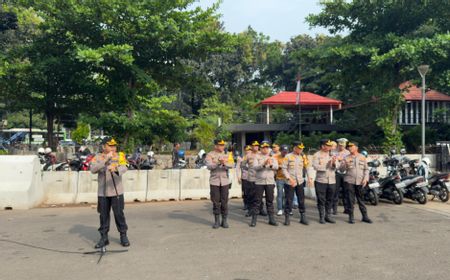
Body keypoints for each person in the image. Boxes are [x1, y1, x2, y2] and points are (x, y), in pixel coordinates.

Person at [90, 137, 130, 248]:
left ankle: (123, 235)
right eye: (110, 145)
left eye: (114, 145)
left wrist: (116, 169)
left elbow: (125, 167)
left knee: (119, 214)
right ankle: (104, 237)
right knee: (103, 215)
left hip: (116, 191)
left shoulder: (120, 156)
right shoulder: (98, 157)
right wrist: (105, 160)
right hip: (102, 193)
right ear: (104, 146)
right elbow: (93, 169)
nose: (113, 148)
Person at [339, 141, 373, 224]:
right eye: (349, 147)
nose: (350, 148)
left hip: (361, 182)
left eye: (352, 146)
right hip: (349, 181)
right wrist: (344, 164)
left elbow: (366, 169)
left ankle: (365, 217)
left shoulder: (362, 157)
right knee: (350, 200)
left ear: (356, 148)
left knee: (361, 199)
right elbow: (341, 170)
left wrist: (366, 179)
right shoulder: (346, 157)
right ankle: (351, 217)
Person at [205, 139, 234, 229]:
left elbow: (232, 164)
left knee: (224, 202)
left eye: (223, 145)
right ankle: (217, 221)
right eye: (220, 145)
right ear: (216, 146)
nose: (222, 147)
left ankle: (224, 221)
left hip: (225, 181)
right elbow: (209, 166)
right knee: (216, 202)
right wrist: (218, 163)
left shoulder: (227, 155)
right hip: (214, 182)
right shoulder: (210, 155)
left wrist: (224, 163)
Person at [281, 141, 311, 226]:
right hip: (290, 182)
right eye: (299, 148)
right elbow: (283, 169)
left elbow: (307, 167)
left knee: (301, 199)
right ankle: (287, 218)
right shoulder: (288, 156)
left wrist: (309, 178)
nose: (301, 150)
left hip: (300, 181)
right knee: (289, 200)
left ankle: (303, 217)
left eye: (302, 148)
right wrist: (289, 179)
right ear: (294, 148)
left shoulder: (303, 157)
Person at [251, 141, 279, 227]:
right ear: (261, 148)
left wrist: (270, 165)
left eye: (267, 147)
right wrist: (263, 164)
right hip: (259, 182)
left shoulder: (273, 157)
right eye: (263, 147)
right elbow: (255, 167)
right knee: (257, 201)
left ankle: (271, 219)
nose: (265, 149)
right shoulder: (257, 157)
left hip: (270, 181)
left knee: (270, 201)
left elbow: (277, 167)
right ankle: (254, 220)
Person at [312, 139, 337, 224]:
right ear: (323, 146)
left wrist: (333, 163)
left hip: (332, 180)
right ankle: (321, 216)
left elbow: (337, 166)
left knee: (330, 199)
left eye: (330, 145)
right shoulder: (316, 155)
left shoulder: (332, 154)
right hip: (321, 181)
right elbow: (316, 166)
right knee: (321, 199)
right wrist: (327, 165)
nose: (330, 147)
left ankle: (328, 216)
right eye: (328, 145)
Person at [244, 141, 267, 216]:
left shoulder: (261, 154)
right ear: (251, 146)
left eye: (257, 146)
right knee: (251, 194)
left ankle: (261, 209)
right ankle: (250, 210)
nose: (256, 147)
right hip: (251, 178)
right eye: (254, 146)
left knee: (259, 195)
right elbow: (243, 164)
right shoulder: (248, 155)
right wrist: (249, 170)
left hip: (260, 178)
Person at [332, 138, 351, 215]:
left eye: (342, 146)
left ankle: (346, 208)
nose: (341, 147)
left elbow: (349, 161)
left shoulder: (348, 152)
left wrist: (341, 159)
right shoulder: (333, 152)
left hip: (346, 173)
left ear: (345, 145)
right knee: (335, 192)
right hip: (336, 173)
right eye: (340, 145)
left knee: (346, 191)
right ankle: (334, 209)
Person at [237, 145, 252, 214]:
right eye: (246, 150)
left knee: (252, 192)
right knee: (245, 192)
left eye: (249, 149)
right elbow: (238, 168)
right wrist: (238, 177)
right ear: (244, 150)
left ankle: (252, 205)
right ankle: (246, 204)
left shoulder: (254, 157)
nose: (248, 151)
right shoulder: (241, 158)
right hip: (245, 177)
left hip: (253, 177)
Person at [274, 144, 289, 216]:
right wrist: (280, 166)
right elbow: (274, 166)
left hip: (288, 178)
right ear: (280, 151)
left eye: (286, 151)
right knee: (280, 194)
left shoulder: (289, 157)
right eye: (283, 151)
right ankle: (280, 209)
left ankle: (287, 209)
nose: (285, 153)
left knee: (288, 195)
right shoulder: (276, 157)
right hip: (279, 178)